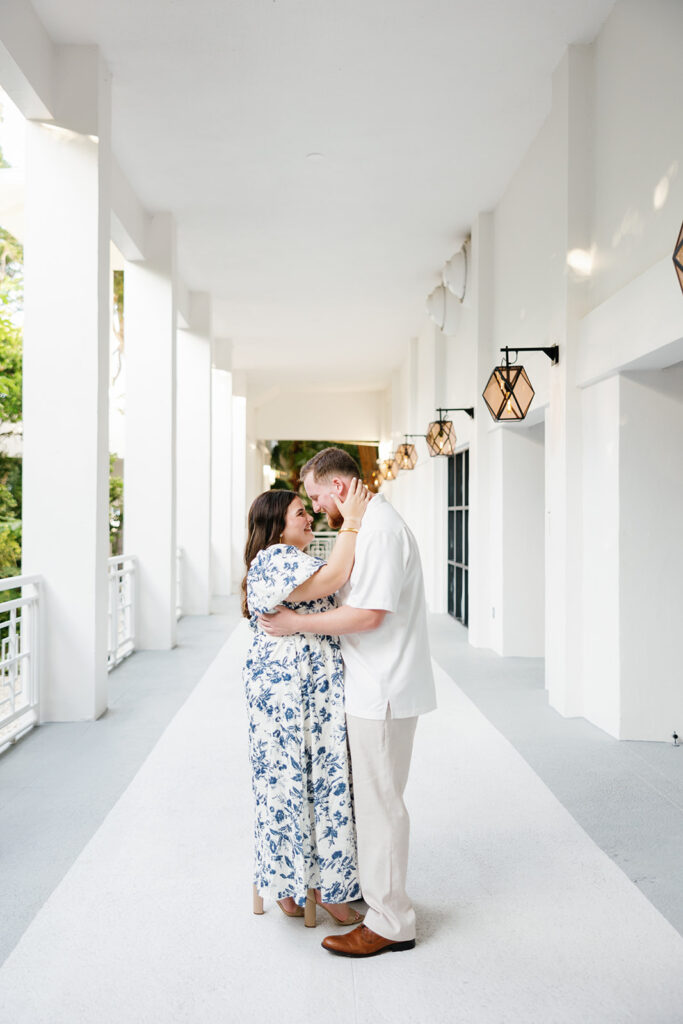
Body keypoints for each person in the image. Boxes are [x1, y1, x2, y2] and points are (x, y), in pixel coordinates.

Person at [260, 447, 437, 958]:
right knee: (375, 803)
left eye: (315, 496)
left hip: (381, 689)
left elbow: (367, 615)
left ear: (337, 488)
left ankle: (389, 922)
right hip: (372, 685)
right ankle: (376, 899)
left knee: (381, 808)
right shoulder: (366, 524)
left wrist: (296, 623)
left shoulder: (379, 529)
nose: (315, 507)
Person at [242, 479, 371, 927]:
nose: (309, 516)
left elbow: (332, 579)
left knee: (300, 781)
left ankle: (297, 882)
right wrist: (351, 520)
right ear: (277, 527)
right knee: (307, 780)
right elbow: (335, 578)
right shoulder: (276, 558)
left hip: (301, 686)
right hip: (289, 692)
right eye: (301, 512)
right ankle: (318, 887)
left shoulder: (290, 560)